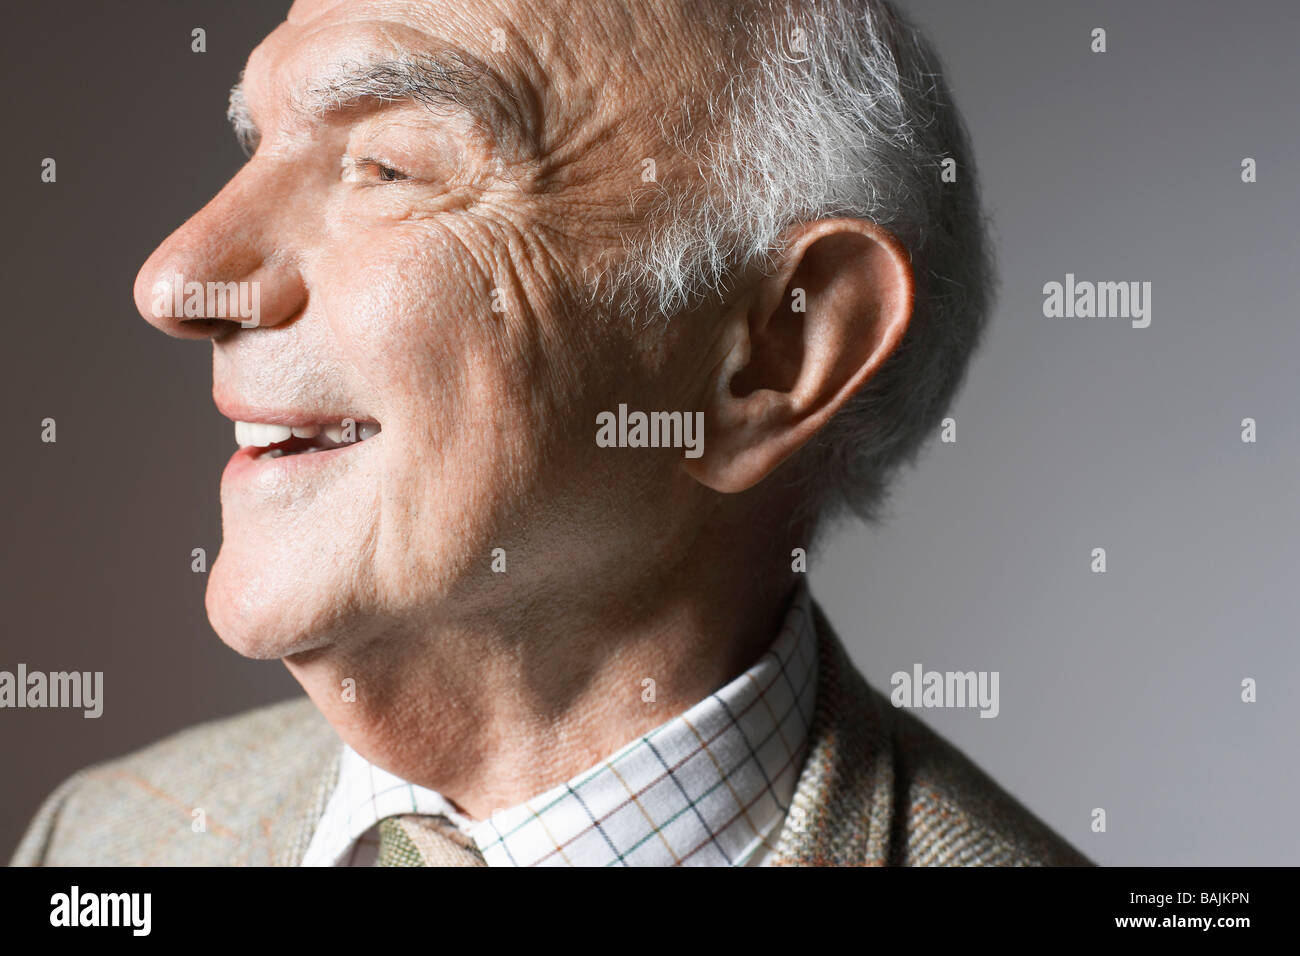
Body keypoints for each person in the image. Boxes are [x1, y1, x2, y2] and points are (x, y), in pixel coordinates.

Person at [13, 0, 1088, 867]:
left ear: (773, 351)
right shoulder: (102, 838)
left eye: (386, 166)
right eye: (256, 146)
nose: (177, 277)